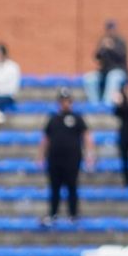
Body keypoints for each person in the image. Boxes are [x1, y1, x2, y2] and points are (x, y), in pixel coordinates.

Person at [39, 89, 93, 225]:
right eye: (62, 101)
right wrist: (41, 156)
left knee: (72, 186)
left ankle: (73, 214)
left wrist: (89, 155)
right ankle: (53, 214)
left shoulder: (77, 118)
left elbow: (86, 136)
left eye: (68, 101)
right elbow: (46, 139)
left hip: (72, 159)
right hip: (54, 159)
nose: (65, 104)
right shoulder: (53, 119)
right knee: (54, 187)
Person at [84, 21, 127, 105]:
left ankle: (107, 105)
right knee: (89, 79)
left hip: (119, 71)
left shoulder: (121, 41)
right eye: (109, 29)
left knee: (112, 77)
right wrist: (102, 47)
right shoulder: (103, 41)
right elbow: (97, 57)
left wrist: (112, 47)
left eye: (112, 29)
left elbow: (121, 56)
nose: (111, 32)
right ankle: (95, 105)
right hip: (104, 72)